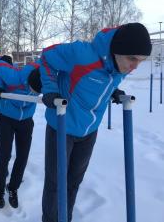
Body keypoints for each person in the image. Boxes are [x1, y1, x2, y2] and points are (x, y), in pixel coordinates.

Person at [39, 23, 152, 221]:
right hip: (62, 127)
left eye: (141, 61)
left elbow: (102, 80)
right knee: (56, 184)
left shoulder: (121, 65)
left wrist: (112, 91)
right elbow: (47, 56)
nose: (135, 67)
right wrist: (50, 89)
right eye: (132, 59)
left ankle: (66, 218)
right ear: (117, 50)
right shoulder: (82, 54)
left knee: (73, 182)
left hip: (89, 131)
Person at [0, 55, 41, 209]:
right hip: (7, 116)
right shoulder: (13, 76)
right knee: (5, 154)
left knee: (22, 156)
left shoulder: (44, 76)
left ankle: (12, 187)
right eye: (32, 89)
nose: (33, 92)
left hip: (26, 120)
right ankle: (0, 190)